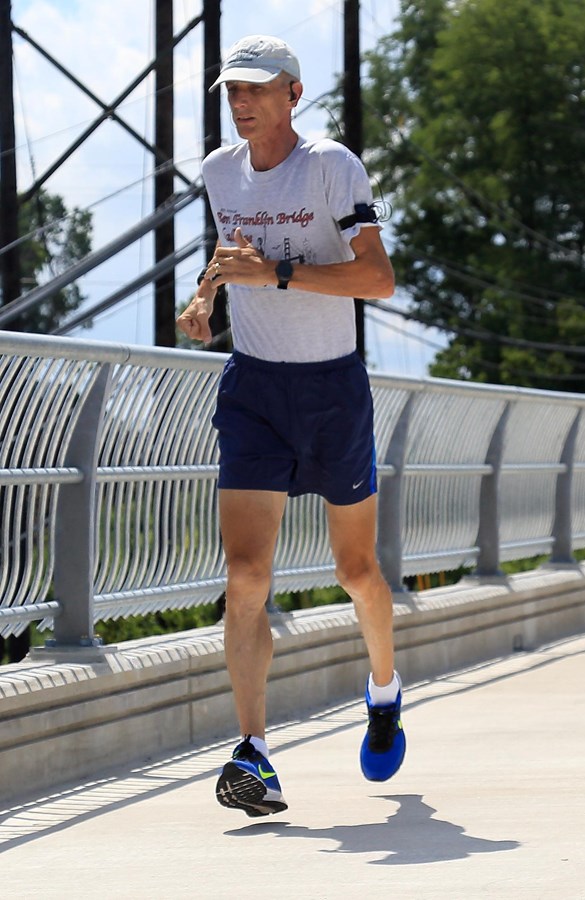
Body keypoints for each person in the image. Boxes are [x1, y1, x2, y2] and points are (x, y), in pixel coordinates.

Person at [177, 35, 404, 817]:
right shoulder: (217, 171)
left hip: (332, 390)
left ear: (293, 95)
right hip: (254, 391)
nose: (240, 102)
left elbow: (377, 276)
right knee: (244, 577)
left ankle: (384, 689)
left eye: (256, 90)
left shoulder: (331, 166)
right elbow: (231, 243)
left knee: (357, 573)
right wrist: (207, 295)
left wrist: (276, 273)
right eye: (231, 90)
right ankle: (255, 754)